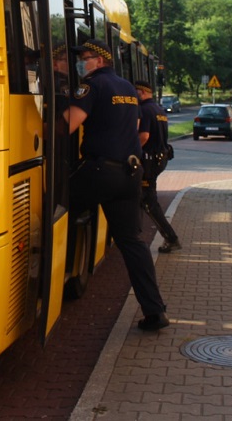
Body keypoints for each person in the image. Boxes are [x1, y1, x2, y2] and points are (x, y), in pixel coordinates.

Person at [64, 38, 169, 331]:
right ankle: (154, 310)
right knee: (132, 243)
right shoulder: (126, 88)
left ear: (99, 61)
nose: (80, 63)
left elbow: (67, 125)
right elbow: (134, 127)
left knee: (54, 207)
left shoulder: (90, 86)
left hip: (100, 171)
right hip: (130, 173)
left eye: (84, 57)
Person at [135, 80, 181, 253]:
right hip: (158, 159)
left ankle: (171, 238)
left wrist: (130, 149)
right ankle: (136, 234)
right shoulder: (158, 109)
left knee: (149, 202)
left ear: (141, 92)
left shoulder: (145, 110)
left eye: (136, 92)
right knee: (141, 199)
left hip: (148, 162)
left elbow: (144, 136)